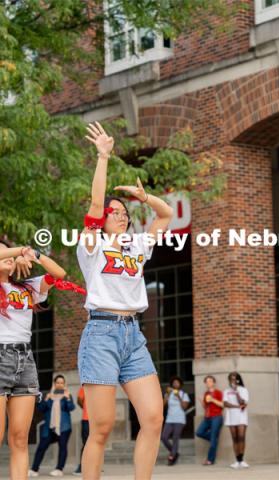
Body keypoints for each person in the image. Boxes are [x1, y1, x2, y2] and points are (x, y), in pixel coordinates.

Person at [77, 121, 173, 479]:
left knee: (153, 417)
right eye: (112, 212)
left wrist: (145, 198)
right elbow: (95, 202)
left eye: (123, 212)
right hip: (101, 335)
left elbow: (165, 215)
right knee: (101, 427)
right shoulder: (91, 245)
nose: (119, 214)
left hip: (134, 337)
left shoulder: (138, 245)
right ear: (100, 221)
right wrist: (103, 157)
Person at [0, 240, 66, 480]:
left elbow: (58, 273)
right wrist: (18, 251)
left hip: (25, 360)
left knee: (19, 438)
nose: (5, 254)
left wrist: (33, 254)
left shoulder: (28, 287)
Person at [29, 375, 76, 477]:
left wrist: (68, 399)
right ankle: (34, 469)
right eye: (57, 382)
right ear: (54, 383)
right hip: (49, 427)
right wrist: (46, 399)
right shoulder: (49, 395)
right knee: (42, 447)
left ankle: (59, 469)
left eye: (62, 383)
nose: (59, 384)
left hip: (64, 427)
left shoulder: (67, 395)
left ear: (64, 384)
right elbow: (40, 409)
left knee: (62, 447)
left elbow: (71, 408)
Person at [161, 376, 190, 466]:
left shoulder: (184, 394)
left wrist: (178, 397)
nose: (175, 384)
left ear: (180, 384)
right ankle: (174, 452)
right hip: (169, 419)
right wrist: (167, 395)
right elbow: (162, 405)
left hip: (179, 419)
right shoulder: (168, 393)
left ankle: (172, 457)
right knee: (164, 437)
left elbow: (184, 407)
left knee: (175, 438)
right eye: (174, 382)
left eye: (177, 382)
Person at [223, 371, 249, 469]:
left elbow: (243, 402)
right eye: (231, 379)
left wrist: (236, 392)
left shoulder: (243, 390)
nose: (232, 381)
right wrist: (238, 406)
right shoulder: (226, 391)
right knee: (235, 439)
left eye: (234, 378)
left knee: (241, 437)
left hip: (241, 417)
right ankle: (237, 460)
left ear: (238, 380)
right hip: (231, 417)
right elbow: (225, 404)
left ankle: (241, 460)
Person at [195, 375, 223, 466]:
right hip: (207, 417)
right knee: (199, 432)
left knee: (213, 439)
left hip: (217, 417)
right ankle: (213, 439)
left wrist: (212, 399)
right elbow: (206, 406)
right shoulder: (206, 393)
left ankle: (210, 460)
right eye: (206, 382)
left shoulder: (218, 392)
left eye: (210, 381)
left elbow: (222, 405)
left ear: (214, 382)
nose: (208, 383)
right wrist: (202, 403)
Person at [73, 386, 89, 476]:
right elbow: (79, 399)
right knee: (86, 443)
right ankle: (81, 466)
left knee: (96, 443)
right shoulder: (85, 386)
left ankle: (94, 465)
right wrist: (85, 408)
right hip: (86, 419)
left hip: (96, 420)